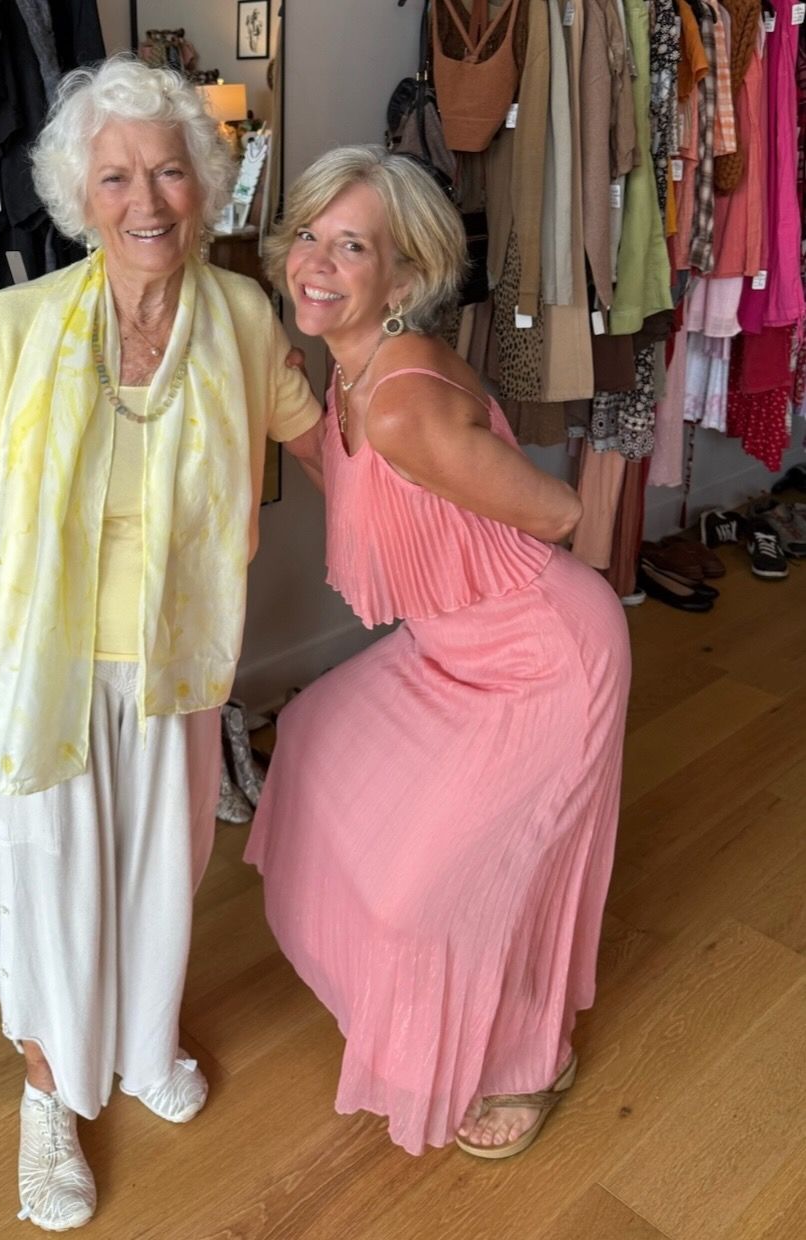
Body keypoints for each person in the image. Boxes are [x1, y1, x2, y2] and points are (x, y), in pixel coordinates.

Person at [0, 57, 322, 1231]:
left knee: (160, 870)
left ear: (205, 184)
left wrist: (443, 501)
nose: (147, 201)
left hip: (174, 656)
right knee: (45, 887)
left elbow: (332, 443)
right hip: (40, 663)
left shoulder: (238, 317)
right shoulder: (15, 326)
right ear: (82, 196)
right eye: (118, 176)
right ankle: (49, 1095)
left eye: (170, 171)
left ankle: (139, 1043)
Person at [245, 146, 631, 1159]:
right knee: (318, 742)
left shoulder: (403, 399)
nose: (316, 264)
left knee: (439, 888)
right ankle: (418, 1010)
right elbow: (369, 495)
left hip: (542, 660)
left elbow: (555, 511)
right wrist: (280, 402)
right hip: (448, 650)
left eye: (353, 246)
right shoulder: (352, 371)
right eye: (311, 238)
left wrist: (465, 480)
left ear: (403, 280)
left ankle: (529, 1060)